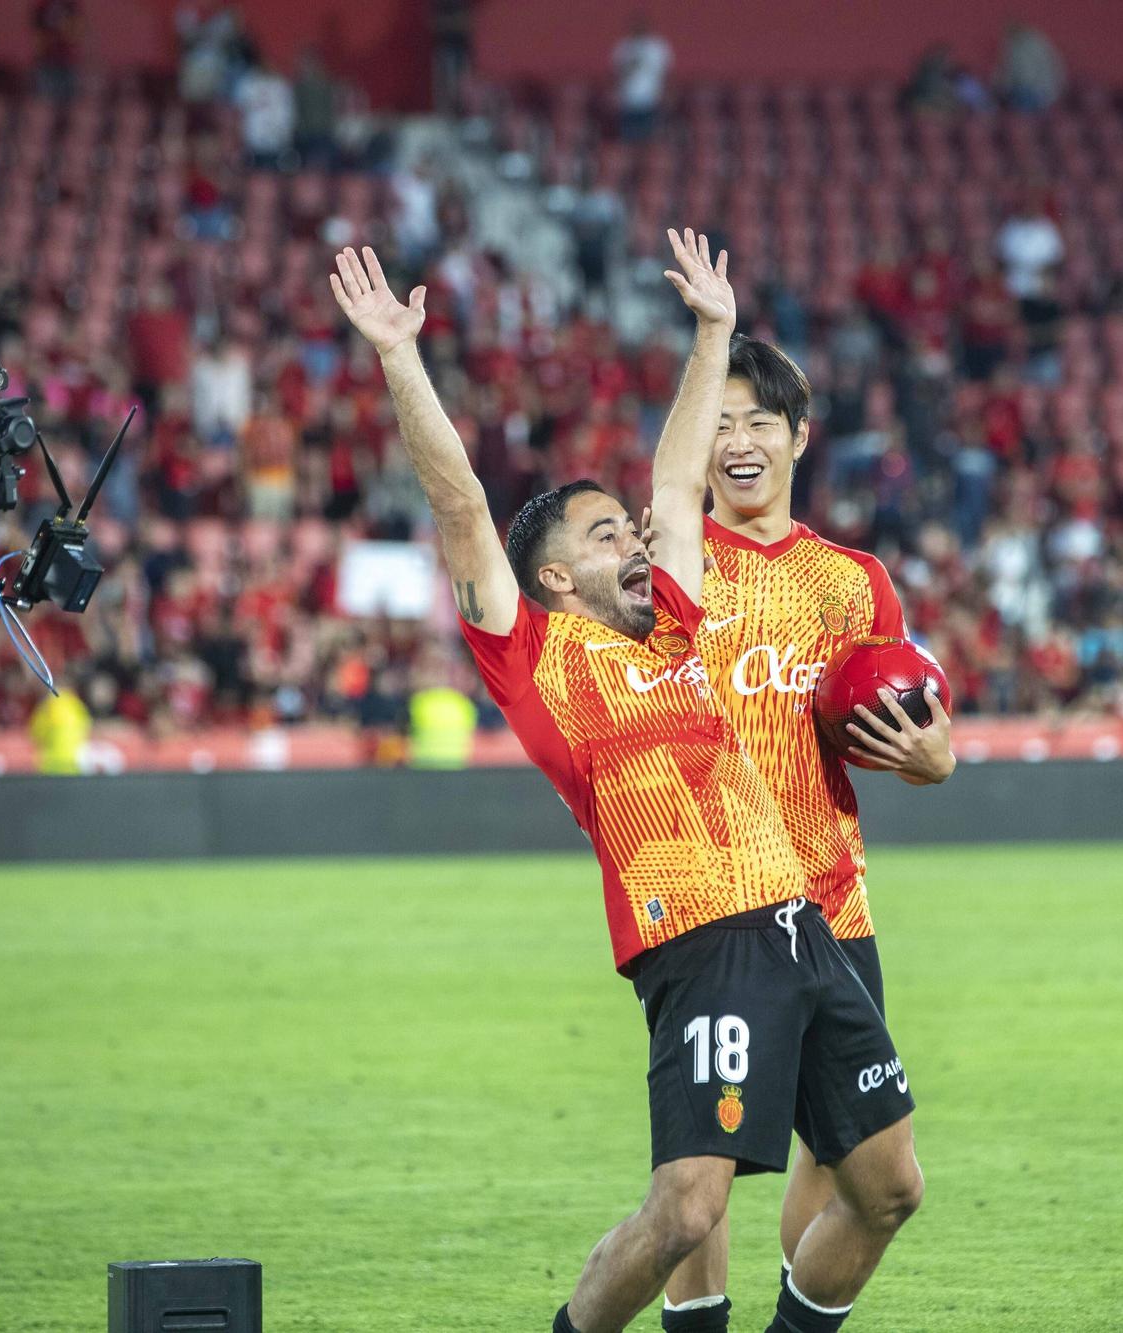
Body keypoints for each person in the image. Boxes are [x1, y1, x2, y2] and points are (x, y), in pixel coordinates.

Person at [328, 235, 920, 1333]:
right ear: (553, 575)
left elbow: (674, 479)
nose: (638, 534)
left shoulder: (676, 633)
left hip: (803, 921)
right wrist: (400, 361)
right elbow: (460, 507)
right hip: (700, 937)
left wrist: (709, 331)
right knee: (687, 1209)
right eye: (607, 534)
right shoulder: (533, 657)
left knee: (889, 1187)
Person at [663, 335, 954, 1332]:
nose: (737, 440)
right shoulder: (669, 567)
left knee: (845, 1170)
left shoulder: (855, 581)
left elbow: (900, 719)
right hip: (712, 907)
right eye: (719, 422)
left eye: (758, 421)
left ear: (797, 436)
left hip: (835, 906)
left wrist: (933, 760)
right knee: (700, 1169)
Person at [612, 14, 672, 142]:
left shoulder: (657, 48)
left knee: (649, 138)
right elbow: (616, 74)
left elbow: (666, 74)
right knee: (628, 138)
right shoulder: (624, 48)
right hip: (628, 100)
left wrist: (667, 94)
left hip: (651, 99)